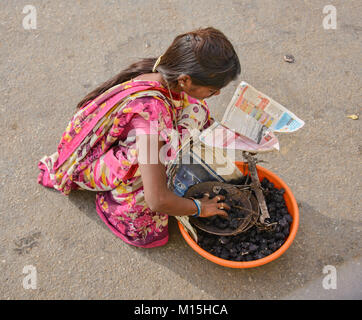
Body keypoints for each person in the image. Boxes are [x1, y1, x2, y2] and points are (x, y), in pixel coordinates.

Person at [37, 27, 241, 248]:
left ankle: (158, 161)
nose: (217, 94)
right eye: (212, 90)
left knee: (197, 108)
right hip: (92, 164)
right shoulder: (151, 118)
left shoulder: (163, 75)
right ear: (185, 80)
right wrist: (200, 207)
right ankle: (119, 204)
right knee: (149, 208)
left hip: (124, 141)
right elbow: (158, 200)